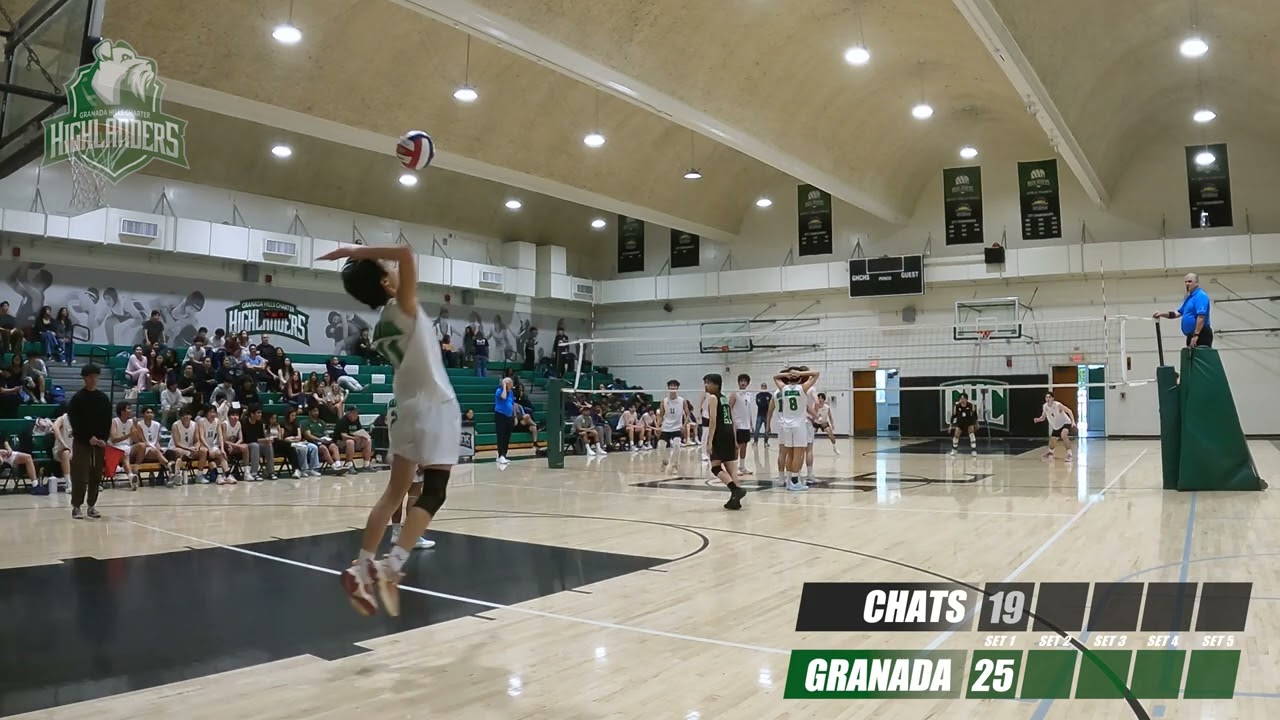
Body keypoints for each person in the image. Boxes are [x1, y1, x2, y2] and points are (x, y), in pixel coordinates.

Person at [324, 243, 461, 618]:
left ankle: (361, 564)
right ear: (386, 282)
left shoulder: (381, 324)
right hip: (435, 406)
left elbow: (397, 260)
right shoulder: (403, 305)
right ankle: (391, 566)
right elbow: (405, 251)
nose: (395, 269)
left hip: (403, 410)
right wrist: (355, 251)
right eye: (387, 268)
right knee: (434, 491)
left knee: (393, 494)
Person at [67, 365, 111, 519]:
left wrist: (103, 439)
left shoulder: (103, 399)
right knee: (80, 474)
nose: (93, 379)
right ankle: (76, 506)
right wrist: (87, 437)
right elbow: (75, 422)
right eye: (90, 376)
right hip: (82, 442)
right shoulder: (78, 399)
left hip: (99, 443)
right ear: (85, 378)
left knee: (96, 474)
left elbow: (107, 421)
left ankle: (92, 505)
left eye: (96, 376)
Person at [703, 373, 747, 511]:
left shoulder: (712, 397)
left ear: (716, 385)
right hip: (729, 434)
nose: (705, 385)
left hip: (720, 434)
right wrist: (734, 440)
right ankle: (735, 500)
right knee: (730, 468)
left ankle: (735, 490)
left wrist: (709, 441)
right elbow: (732, 420)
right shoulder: (724, 398)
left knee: (715, 467)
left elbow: (713, 420)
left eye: (708, 383)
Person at [774, 367, 820, 491]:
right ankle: (795, 481)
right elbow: (816, 373)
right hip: (799, 426)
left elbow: (775, 377)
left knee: (790, 454)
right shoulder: (802, 388)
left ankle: (789, 481)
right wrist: (800, 373)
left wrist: (788, 374)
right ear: (800, 378)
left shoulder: (783, 389)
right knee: (798, 455)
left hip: (786, 426)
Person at [1153, 272, 1213, 348]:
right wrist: (1161, 314)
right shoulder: (1189, 298)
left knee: (1200, 358)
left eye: (1190, 281)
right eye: (1186, 282)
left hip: (1201, 334)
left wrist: (1196, 335)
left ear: (1197, 283)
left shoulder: (1200, 296)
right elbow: (1177, 313)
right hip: (1191, 335)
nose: (1187, 284)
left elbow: (1201, 317)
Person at [105, 402, 139, 490]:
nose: (131, 411)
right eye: (128, 408)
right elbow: (113, 439)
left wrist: (135, 426)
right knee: (124, 454)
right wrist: (128, 435)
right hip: (115, 448)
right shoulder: (114, 421)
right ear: (122, 411)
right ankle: (131, 476)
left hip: (128, 447)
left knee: (141, 446)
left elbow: (135, 440)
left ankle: (136, 467)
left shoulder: (131, 422)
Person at [1035, 393, 1077, 462]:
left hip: (1065, 423)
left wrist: (1073, 421)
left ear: (1053, 398)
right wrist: (1038, 419)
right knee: (1052, 442)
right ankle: (1050, 453)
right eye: (1046, 397)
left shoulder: (1058, 405)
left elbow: (1069, 411)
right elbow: (1043, 417)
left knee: (1064, 435)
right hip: (1056, 426)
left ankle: (1069, 455)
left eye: (1049, 397)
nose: (1048, 399)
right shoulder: (1045, 406)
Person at [167, 406, 203, 486]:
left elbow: (197, 440)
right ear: (180, 417)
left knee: (203, 451)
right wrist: (189, 449)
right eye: (183, 415)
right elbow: (177, 443)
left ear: (191, 416)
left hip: (189, 449)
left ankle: (200, 475)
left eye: (188, 414)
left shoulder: (195, 425)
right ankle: (176, 473)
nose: (186, 417)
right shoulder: (175, 425)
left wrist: (196, 447)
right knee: (180, 452)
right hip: (175, 448)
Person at [130, 407, 168, 483]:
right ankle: (169, 467)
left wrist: (159, 448)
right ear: (143, 414)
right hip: (144, 448)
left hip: (153, 449)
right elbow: (143, 441)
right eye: (148, 412)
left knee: (163, 452)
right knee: (155, 452)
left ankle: (164, 472)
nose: (150, 414)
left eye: (151, 412)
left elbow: (156, 441)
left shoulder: (157, 424)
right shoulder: (139, 424)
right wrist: (155, 449)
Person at [655, 380, 685, 473]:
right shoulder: (664, 401)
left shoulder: (682, 401)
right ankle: (664, 461)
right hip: (666, 427)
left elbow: (687, 414)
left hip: (677, 427)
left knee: (676, 445)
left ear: (677, 388)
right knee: (660, 445)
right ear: (668, 388)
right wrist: (658, 426)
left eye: (675, 386)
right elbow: (661, 415)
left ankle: (675, 465)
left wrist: (684, 425)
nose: (673, 388)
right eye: (671, 386)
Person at [198, 405, 232, 484]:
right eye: (211, 412)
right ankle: (219, 476)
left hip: (211, 445)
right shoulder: (202, 421)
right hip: (202, 446)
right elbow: (201, 437)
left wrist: (222, 449)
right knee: (211, 454)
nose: (213, 414)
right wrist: (208, 448)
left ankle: (226, 475)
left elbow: (220, 436)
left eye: (214, 412)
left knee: (220, 453)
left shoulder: (217, 421)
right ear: (206, 413)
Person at [334, 406, 375, 471]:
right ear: (349, 413)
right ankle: (350, 466)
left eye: (356, 413)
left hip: (355, 442)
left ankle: (366, 465)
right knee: (350, 442)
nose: (356, 414)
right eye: (354, 413)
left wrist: (363, 436)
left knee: (368, 441)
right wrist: (354, 438)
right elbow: (343, 436)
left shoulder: (357, 420)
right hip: (341, 443)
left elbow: (360, 431)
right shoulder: (342, 421)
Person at [731, 374, 756, 475]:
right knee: (737, 446)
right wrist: (732, 422)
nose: (743, 383)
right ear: (738, 382)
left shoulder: (749, 395)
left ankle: (742, 467)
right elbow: (729, 408)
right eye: (741, 381)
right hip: (738, 425)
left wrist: (751, 423)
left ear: (748, 383)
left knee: (744, 446)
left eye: (745, 381)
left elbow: (749, 410)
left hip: (746, 426)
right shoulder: (735, 394)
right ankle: (735, 467)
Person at [493, 375, 515, 465]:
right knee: (501, 435)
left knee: (507, 435)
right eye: (510, 384)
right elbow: (504, 397)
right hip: (500, 415)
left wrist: (515, 416)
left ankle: (504, 455)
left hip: (509, 416)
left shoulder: (511, 393)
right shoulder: (499, 391)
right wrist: (504, 387)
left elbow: (513, 404)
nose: (511, 386)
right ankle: (500, 455)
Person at [754, 382, 773, 446]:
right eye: (762, 386)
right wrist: (766, 403)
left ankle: (766, 442)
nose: (763, 388)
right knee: (757, 429)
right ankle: (755, 441)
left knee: (767, 430)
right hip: (759, 415)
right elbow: (759, 404)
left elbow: (770, 405)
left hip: (767, 415)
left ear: (766, 387)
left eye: (764, 386)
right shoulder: (758, 395)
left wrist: (764, 403)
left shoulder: (769, 395)